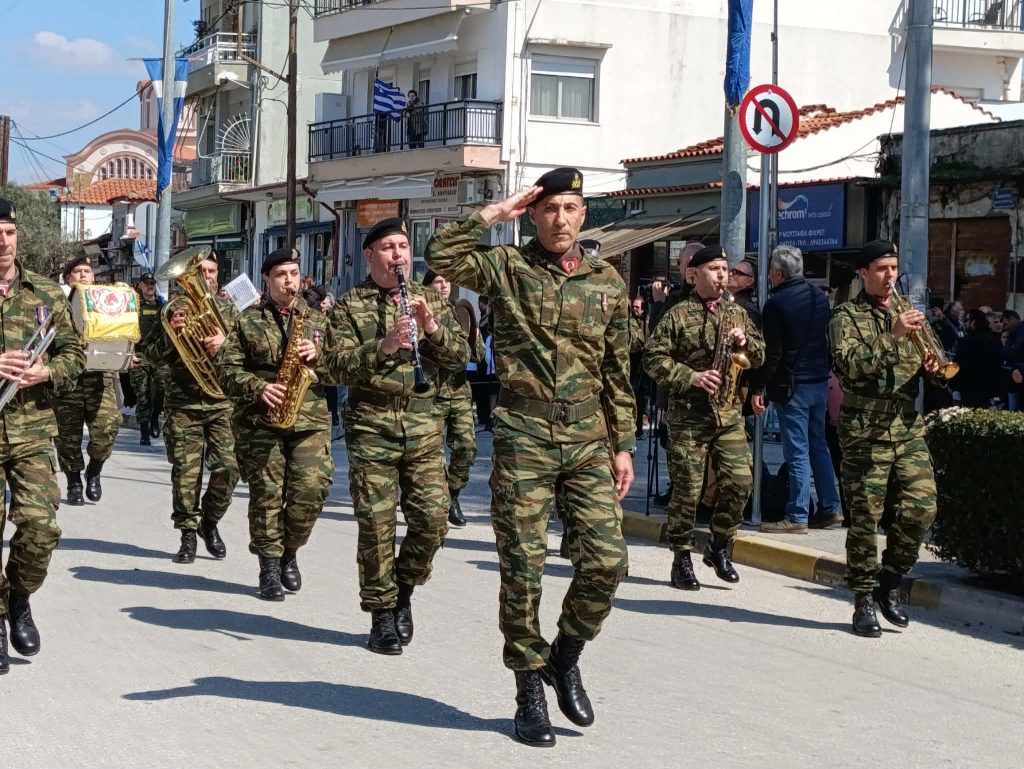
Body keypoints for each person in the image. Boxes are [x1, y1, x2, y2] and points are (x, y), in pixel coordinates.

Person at [427, 169, 634, 748]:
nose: (560, 219)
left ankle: (564, 655)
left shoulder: (608, 281)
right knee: (523, 567)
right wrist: (498, 212)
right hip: (524, 436)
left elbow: (617, 370)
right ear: (535, 214)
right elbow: (441, 254)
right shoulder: (507, 267)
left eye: (570, 208)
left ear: (584, 215)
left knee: (607, 562)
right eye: (549, 209)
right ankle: (528, 690)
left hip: (588, 437)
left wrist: (623, 444)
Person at [326, 219, 467, 655]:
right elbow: (332, 366)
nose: (399, 255)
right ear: (370, 255)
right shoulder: (349, 306)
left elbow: (463, 356)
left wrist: (432, 329)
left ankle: (403, 589)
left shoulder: (431, 300)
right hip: (372, 427)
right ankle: (382, 614)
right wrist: (383, 346)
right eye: (389, 247)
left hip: (424, 427)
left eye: (404, 246)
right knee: (376, 525)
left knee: (433, 520)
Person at [828, 240, 940, 638]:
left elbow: (930, 360)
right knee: (865, 518)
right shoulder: (846, 316)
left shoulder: (905, 311)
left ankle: (890, 580)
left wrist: (933, 366)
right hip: (866, 431)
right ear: (863, 273)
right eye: (881, 268)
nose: (889, 275)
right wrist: (892, 336)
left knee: (921, 508)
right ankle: (862, 599)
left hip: (907, 428)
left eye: (893, 267)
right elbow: (850, 366)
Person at [645, 245, 764, 592]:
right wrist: (691, 377)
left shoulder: (737, 313)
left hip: (727, 414)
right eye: (714, 269)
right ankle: (681, 557)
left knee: (740, 482)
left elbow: (760, 355)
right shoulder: (677, 314)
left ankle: (719, 544)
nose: (722, 275)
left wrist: (745, 343)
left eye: (725, 269)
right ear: (694, 275)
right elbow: (652, 359)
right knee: (688, 489)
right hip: (689, 416)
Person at [0, 198, 85, 674]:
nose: (3, 242)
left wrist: (47, 371)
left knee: (41, 527)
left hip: (32, 429)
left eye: (9, 232)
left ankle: (18, 597)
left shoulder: (47, 293)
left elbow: (75, 352)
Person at [219, 247, 334, 601]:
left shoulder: (317, 320)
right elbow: (226, 370)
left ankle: (290, 551)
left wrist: (321, 356)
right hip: (261, 420)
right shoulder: (247, 320)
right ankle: (269, 566)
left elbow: (343, 365)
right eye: (282, 275)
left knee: (311, 490)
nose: (289, 282)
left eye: (294, 274)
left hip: (309, 419)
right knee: (267, 494)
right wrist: (258, 387)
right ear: (267, 279)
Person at [139, 251, 240, 564]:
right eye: (201, 271)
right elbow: (150, 354)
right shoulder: (171, 311)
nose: (206, 276)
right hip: (183, 402)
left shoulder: (232, 311)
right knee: (186, 472)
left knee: (228, 468)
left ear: (218, 275)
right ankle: (187, 534)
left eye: (211, 271)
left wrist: (226, 343)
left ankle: (209, 521)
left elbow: (249, 353)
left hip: (222, 401)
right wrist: (172, 336)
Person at [752, 245, 842, 532]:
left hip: (793, 386)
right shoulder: (819, 297)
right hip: (819, 381)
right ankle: (830, 506)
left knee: (797, 451)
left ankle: (797, 515)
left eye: (771, 271)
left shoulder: (776, 305)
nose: (769, 275)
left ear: (779, 273)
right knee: (819, 445)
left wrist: (758, 387)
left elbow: (773, 354)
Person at [52, 255, 122, 506]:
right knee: (67, 437)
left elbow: (121, 332)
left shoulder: (105, 302)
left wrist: (126, 355)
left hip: (99, 377)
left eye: (87, 271)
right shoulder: (56, 302)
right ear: (67, 278)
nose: (83, 275)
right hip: (67, 379)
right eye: (77, 272)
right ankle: (73, 482)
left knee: (107, 429)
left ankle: (94, 469)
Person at [423, 268, 477, 528]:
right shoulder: (422, 314)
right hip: (430, 393)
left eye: (447, 281)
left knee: (466, 447)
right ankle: (426, 498)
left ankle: (452, 493)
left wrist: (472, 332)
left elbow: (476, 352)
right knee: (429, 454)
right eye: (438, 281)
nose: (444, 286)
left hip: (458, 392)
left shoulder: (461, 311)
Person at [130, 271, 164, 446]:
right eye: (147, 283)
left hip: (159, 355)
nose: (150, 286)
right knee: (142, 394)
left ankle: (155, 417)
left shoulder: (162, 305)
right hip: (139, 353)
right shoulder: (134, 306)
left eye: (152, 283)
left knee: (162, 388)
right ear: (140, 285)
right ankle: (144, 432)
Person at [953, 309, 1003, 408]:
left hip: (969, 388)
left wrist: (955, 385)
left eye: (968, 320)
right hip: (988, 390)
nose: (966, 323)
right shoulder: (992, 339)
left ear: (973, 322)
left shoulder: (967, 341)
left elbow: (959, 364)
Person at [1002, 310, 1024, 411]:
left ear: (1012, 319)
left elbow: (1014, 351)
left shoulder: (1021, 333)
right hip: (1013, 379)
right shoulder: (1013, 334)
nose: (1005, 327)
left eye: (1006, 323)